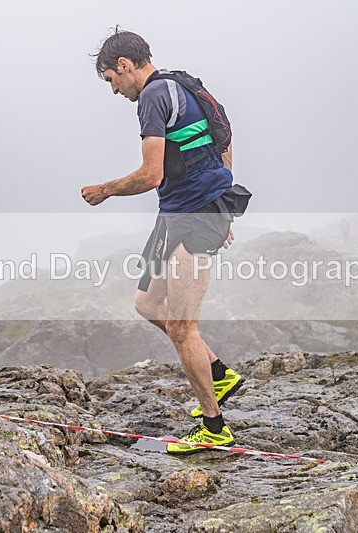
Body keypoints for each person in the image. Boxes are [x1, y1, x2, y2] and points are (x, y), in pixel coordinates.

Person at [82, 28, 248, 455]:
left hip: (193, 216)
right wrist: (221, 199)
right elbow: (225, 139)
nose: (114, 91)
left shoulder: (155, 95)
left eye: (110, 81)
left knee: (181, 326)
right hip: (180, 213)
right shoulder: (184, 84)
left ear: (124, 66)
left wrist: (105, 189)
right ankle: (219, 373)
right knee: (147, 304)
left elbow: (151, 175)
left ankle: (214, 428)